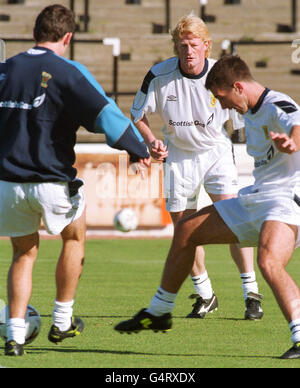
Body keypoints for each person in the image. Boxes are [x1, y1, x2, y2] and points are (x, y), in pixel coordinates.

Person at [115, 55, 300, 360]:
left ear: (238, 86)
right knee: (186, 230)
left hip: (286, 200)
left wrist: (292, 143)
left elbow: (296, 122)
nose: (223, 106)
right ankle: (159, 312)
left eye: (223, 98)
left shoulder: (276, 104)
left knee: (268, 261)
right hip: (256, 198)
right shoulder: (250, 110)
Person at [0, 4, 150, 357]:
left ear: (35, 33)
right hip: (51, 181)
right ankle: (63, 319)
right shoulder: (69, 72)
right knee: (74, 235)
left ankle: (14, 335)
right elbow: (106, 116)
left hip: (7, 184)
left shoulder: (5, 69)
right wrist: (137, 149)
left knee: (23, 252)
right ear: (67, 37)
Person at [130, 13, 262, 319]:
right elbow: (137, 113)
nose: (187, 51)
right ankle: (205, 294)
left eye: (193, 45)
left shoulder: (221, 75)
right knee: (183, 230)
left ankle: (251, 293)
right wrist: (150, 140)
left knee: (235, 221)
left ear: (206, 46)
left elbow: (246, 112)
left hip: (216, 151)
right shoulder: (158, 75)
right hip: (178, 155)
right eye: (181, 45)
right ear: (175, 47)